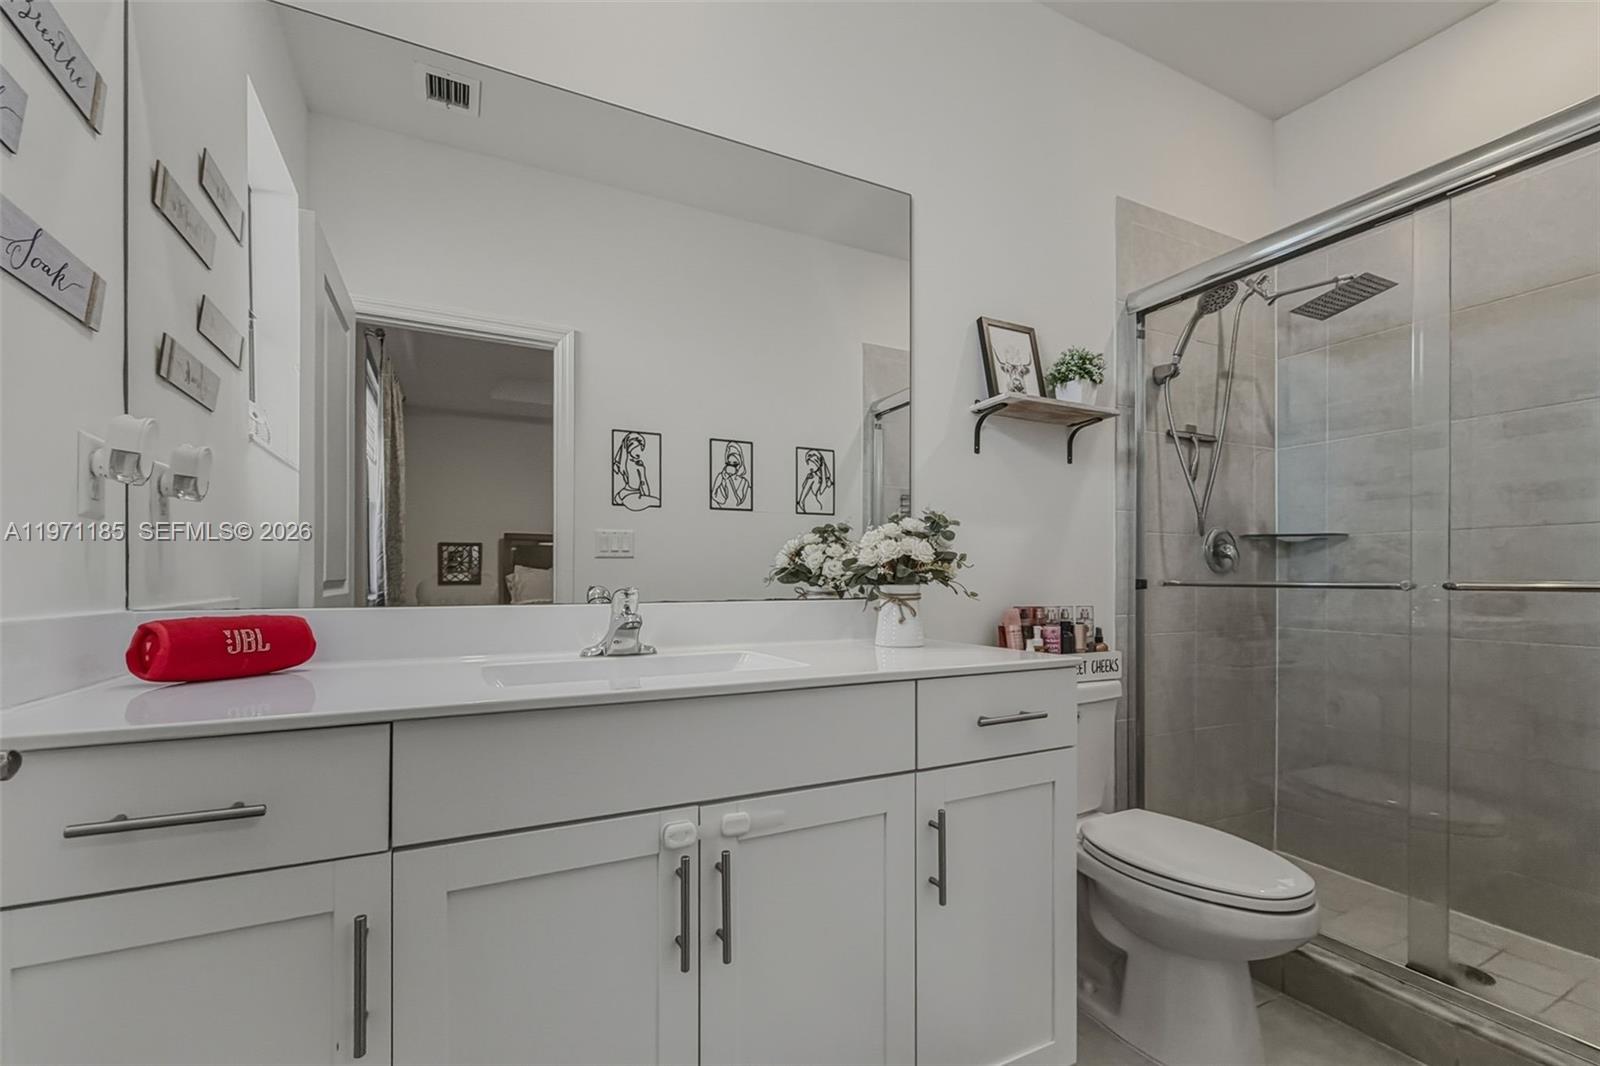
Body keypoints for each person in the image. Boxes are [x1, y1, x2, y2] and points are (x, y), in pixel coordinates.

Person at [612, 431, 660, 510]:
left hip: (621, 494)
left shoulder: (623, 463)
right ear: (631, 448)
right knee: (657, 502)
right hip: (633, 496)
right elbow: (643, 483)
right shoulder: (639, 466)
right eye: (639, 448)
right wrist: (646, 497)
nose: (640, 452)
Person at [711, 441, 751, 509]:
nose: (731, 465)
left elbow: (741, 503)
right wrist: (724, 479)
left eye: (735, 463)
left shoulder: (745, 483)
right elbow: (716, 496)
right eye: (729, 462)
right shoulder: (721, 477)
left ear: (740, 464)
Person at [797, 448, 833, 514]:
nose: (810, 467)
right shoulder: (816, 477)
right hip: (815, 506)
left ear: (817, 463)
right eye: (808, 463)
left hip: (812, 506)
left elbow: (801, 500)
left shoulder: (814, 477)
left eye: (811, 463)